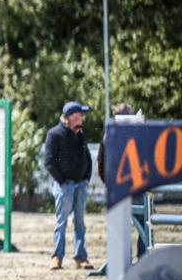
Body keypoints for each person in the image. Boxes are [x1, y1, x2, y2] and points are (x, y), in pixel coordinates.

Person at [44, 101, 93, 270]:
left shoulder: (80, 134)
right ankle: (57, 257)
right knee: (62, 223)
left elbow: (88, 157)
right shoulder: (54, 134)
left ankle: (81, 257)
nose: (83, 117)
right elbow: (49, 162)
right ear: (72, 116)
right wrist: (62, 182)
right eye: (80, 114)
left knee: (79, 223)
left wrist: (87, 178)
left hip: (80, 185)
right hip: (65, 186)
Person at [97, 102, 146, 258]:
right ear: (130, 115)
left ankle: (123, 260)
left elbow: (100, 164)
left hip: (117, 188)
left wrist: (109, 184)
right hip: (137, 187)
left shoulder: (108, 135)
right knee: (144, 224)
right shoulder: (139, 134)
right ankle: (142, 257)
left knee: (120, 227)